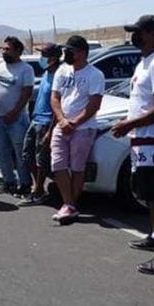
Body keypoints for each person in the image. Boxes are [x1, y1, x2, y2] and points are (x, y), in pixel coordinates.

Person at [112, 15, 154, 275]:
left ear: (153, 33)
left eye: (138, 32)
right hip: (142, 140)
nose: (134, 36)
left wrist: (129, 124)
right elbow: (143, 101)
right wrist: (129, 122)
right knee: (150, 194)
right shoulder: (145, 62)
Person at [50, 36, 104, 222]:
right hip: (61, 125)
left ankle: (70, 205)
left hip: (83, 128)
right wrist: (62, 120)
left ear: (81, 52)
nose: (67, 54)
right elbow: (55, 97)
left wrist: (74, 123)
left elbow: (94, 104)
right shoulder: (62, 71)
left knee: (77, 167)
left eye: (70, 50)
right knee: (58, 165)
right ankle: (68, 203)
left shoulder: (94, 75)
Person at [0, 36, 34, 195]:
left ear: (18, 51)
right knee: (1, 151)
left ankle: (25, 183)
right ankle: (8, 182)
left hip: (16, 119)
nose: (4, 52)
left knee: (19, 152)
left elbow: (26, 93)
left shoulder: (26, 69)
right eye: (3, 49)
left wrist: (14, 112)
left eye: (8, 49)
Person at [20, 42, 62, 206]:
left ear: (53, 58)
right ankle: (40, 189)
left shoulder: (58, 76)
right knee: (27, 155)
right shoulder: (47, 73)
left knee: (42, 159)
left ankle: (38, 191)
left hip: (46, 122)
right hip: (36, 119)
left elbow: (58, 104)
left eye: (44, 55)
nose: (41, 58)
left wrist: (50, 131)